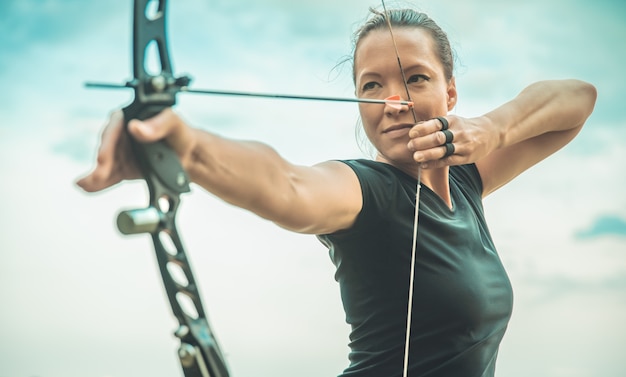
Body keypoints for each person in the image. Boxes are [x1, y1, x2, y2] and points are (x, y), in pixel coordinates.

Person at [77, 8, 597, 377]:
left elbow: (576, 101)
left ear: (450, 91)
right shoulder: (366, 192)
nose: (393, 101)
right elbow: (288, 184)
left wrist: (493, 128)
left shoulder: (466, 181)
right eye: (371, 86)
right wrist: (182, 145)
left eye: (415, 78)